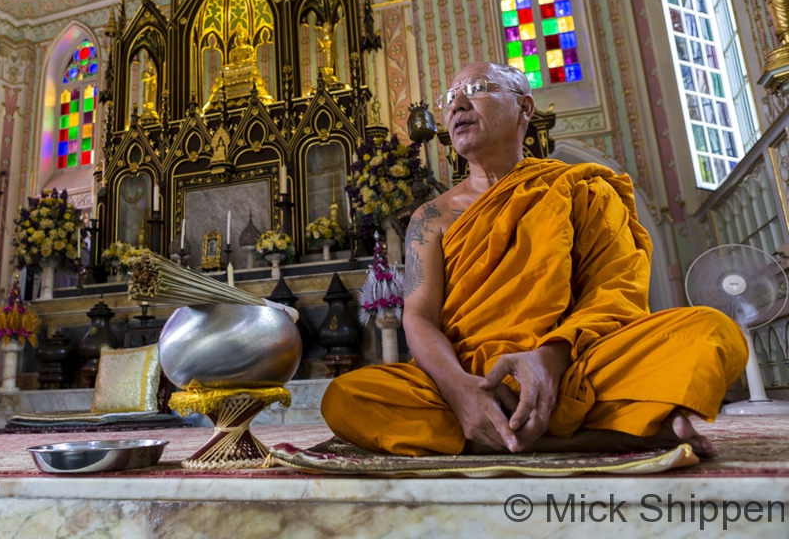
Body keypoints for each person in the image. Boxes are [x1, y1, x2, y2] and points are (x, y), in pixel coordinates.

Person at [321, 62, 748, 457]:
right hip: (472, 375)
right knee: (346, 398)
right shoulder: (431, 218)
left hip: (570, 366)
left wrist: (549, 359)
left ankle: (495, 437)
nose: (457, 105)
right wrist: (459, 390)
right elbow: (418, 318)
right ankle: (590, 435)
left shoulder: (578, 188)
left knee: (712, 331)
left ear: (523, 106)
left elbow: (613, 292)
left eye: (476, 89)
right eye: (450, 98)